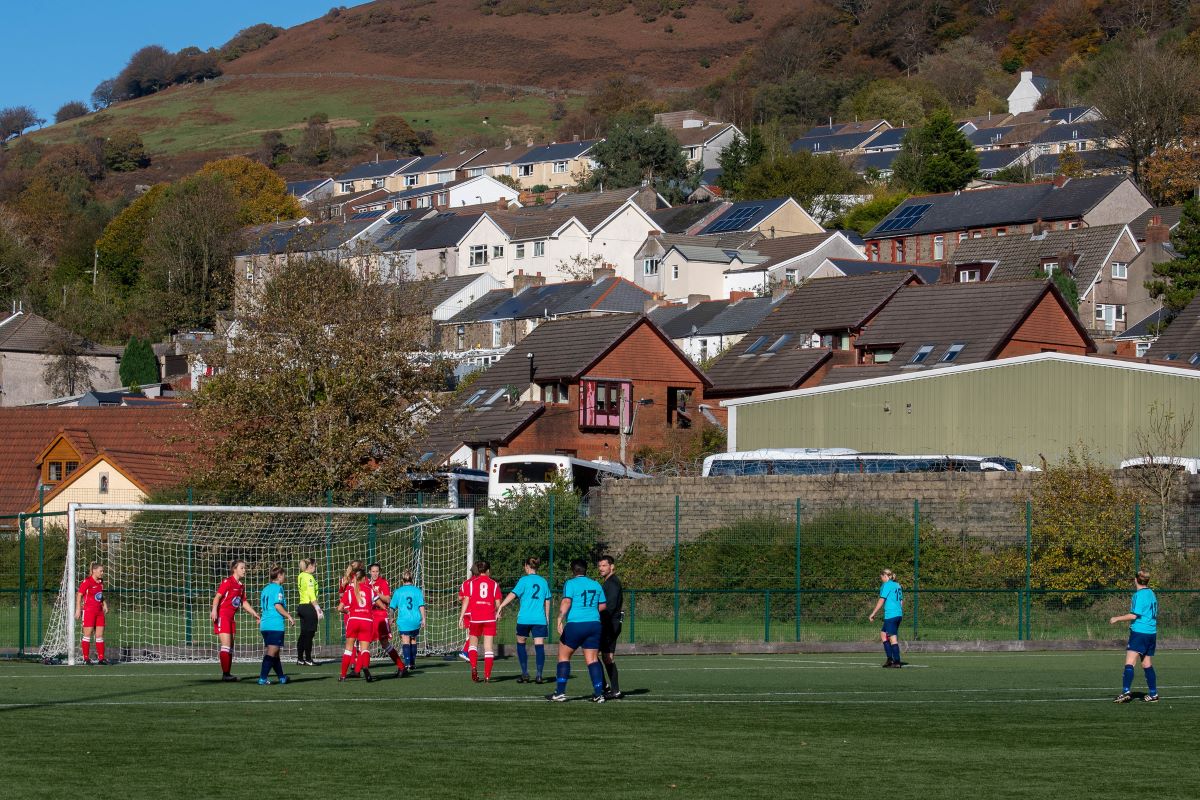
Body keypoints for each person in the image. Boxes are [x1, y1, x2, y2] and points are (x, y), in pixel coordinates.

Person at [549, 558, 607, 703]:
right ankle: (598, 694)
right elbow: (603, 606)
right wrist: (590, 612)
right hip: (594, 624)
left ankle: (560, 692)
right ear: (585, 569)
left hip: (576, 624)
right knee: (592, 660)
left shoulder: (571, 583)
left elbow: (567, 601)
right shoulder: (596, 584)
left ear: (572, 570)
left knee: (563, 656)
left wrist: (559, 618)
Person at [498, 557, 551, 683]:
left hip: (525, 618)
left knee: (521, 643)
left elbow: (513, 594)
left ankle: (525, 673)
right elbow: (547, 599)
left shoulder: (524, 580)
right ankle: (539, 675)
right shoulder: (543, 581)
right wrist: (547, 616)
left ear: (526, 566)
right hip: (539, 619)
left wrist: (501, 605)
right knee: (539, 646)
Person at [1110, 570, 1159, 703]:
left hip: (1140, 632)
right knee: (1146, 663)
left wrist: (1116, 618)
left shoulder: (1139, 595)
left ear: (1136, 580)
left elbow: (1134, 615)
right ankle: (1153, 694)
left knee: (1130, 662)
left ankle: (1126, 692)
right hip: (1151, 632)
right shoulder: (1151, 593)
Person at [211, 560, 261, 682]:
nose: (245, 570)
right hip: (222, 615)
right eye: (242, 568)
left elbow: (243, 602)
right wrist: (214, 610)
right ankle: (225, 674)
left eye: (245, 568)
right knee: (226, 646)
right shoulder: (227, 582)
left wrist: (254, 613)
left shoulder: (241, 586)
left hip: (231, 618)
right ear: (235, 569)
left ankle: (227, 674)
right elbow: (217, 596)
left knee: (231, 647)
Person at [459, 560, 501, 682]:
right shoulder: (494, 584)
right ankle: (487, 676)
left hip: (476, 618)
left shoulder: (471, 584)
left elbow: (465, 600)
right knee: (488, 648)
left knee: (473, 645)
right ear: (487, 571)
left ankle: (473, 668)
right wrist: (499, 613)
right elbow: (498, 603)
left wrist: (461, 617)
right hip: (489, 618)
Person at [338, 566, 378, 682]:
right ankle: (365, 666)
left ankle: (343, 675)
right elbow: (378, 603)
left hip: (354, 620)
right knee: (364, 649)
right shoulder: (370, 590)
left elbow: (340, 608)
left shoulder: (350, 591)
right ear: (365, 578)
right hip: (367, 621)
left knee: (348, 649)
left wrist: (347, 611)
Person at [258, 566, 296, 685]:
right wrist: (289, 616)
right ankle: (263, 678)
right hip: (275, 624)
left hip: (265, 625)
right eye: (283, 575)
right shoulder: (278, 588)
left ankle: (281, 677)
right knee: (271, 652)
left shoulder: (265, 589)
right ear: (279, 575)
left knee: (275, 653)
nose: (285, 577)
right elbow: (277, 605)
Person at [368, 563, 406, 675]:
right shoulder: (366, 583)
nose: (375, 573)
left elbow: (388, 600)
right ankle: (357, 668)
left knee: (384, 643)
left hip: (380, 615)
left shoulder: (383, 583)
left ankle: (401, 666)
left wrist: (377, 594)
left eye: (377, 571)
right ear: (369, 572)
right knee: (364, 641)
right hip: (369, 615)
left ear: (379, 572)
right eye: (373, 571)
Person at [389, 570, 426, 673]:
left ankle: (407, 663)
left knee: (405, 641)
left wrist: (391, 617)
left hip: (404, 621)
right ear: (412, 579)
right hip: (415, 620)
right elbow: (421, 606)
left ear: (402, 580)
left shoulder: (398, 591)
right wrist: (424, 619)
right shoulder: (417, 591)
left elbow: (392, 607)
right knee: (413, 640)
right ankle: (413, 663)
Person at [597, 554, 624, 699]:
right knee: (605, 657)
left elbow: (611, 606)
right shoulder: (607, 582)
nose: (601, 568)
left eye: (604, 565)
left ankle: (608, 688)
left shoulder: (612, 583)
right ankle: (612, 689)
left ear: (612, 566)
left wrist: (597, 617)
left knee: (594, 655)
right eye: (600, 566)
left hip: (609, 625)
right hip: (608, 624)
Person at [868, 568, 904, 668]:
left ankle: (896, 662)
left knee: (893, 638)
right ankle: (890, 659)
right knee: (883, 634)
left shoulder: (887, 585)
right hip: (898, 614)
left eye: (882, 577)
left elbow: (881, 600)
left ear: (885, 576)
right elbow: (901, 601)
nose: (882, 580)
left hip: (891, 615)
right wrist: (899, 611)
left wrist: (873, 613)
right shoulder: (897, 585)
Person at [75, 562, 110, 666]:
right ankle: (86, 658)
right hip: (89, 611)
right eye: (101, 571)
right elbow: (79, 595)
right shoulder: (87, 581)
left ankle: (101, 658)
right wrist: (78, 609)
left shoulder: (100, 581)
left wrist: (104, 604)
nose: (102, 573)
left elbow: (100, 595)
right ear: (94, 571)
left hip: (99, 611)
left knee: (99, 635)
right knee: (87, 635)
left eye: (103, 571)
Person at [296, 559, 322, 666]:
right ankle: (308, 659)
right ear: (310, 566)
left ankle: (300, 658)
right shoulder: (309, 577)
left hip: (301, 606)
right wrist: (317, 608)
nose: (315, 567)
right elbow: (311, 594)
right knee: (309, 634)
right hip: (309, 607)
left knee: (303, 633)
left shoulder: (300, 576)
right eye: (314, 565)